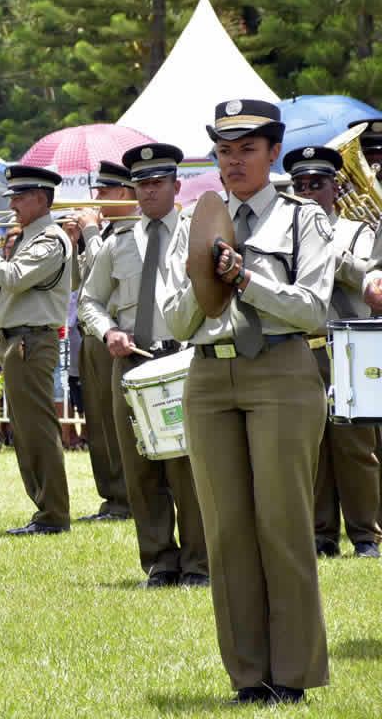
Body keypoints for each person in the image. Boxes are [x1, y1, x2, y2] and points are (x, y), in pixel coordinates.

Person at [160, 99, 333, 705]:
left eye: (247, 149)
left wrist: (246, 279)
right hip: (208, 377)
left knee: (282, 524)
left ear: (273, 152)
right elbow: (171, 318)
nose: (233, 161)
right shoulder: (195, 221)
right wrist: (202, 282)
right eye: (224, 150)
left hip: (282, 373)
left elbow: (314, 308)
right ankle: (247, 677)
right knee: (226, 532)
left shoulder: (301, 219)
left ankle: (292, 674)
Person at [80, 142, 208, 588]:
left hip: (182, 358)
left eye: (157, 183)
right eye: (141, 185)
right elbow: (90, 301)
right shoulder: (118, 243)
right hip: (131, 361)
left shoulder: (197, 233)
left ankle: (198, 562)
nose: (149, 192)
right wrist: (106, 332)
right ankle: (159, 560)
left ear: (176, 184)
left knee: (188, 466)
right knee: (140, 466)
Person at [283, 145, 382, 559]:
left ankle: (365, 535)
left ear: (335, 188)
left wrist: (323, 245)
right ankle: (322, 534)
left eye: (317, 184)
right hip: (303, 343)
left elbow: (369, 279)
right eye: (300, 185)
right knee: (313, 445)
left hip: (351, 344)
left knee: (355, 444)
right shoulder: (283, 236)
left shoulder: (357, 232)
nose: (308, 192)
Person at [0, 165, 72, 535]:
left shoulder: (49, 238)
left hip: (31, 342)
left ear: (40, 198)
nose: (12, 204)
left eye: (19, 197)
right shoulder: (32, 236)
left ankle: (53, 514)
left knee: (37, 430)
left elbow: (14, 277)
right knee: (26, 429)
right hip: (19, 342)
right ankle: (45, 510)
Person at [72, 161, 135, 520]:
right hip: (93, 334)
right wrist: (75, 241)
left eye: (103, 191)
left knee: (114, 423)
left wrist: (92, 232)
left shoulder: (126, 233)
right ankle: (112, 497)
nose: (96, 198)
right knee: (97, 421)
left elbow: (104, 273)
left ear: (123, 194)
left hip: (114, 334)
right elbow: (78, 284)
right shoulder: (107, 233)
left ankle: (124, 497)